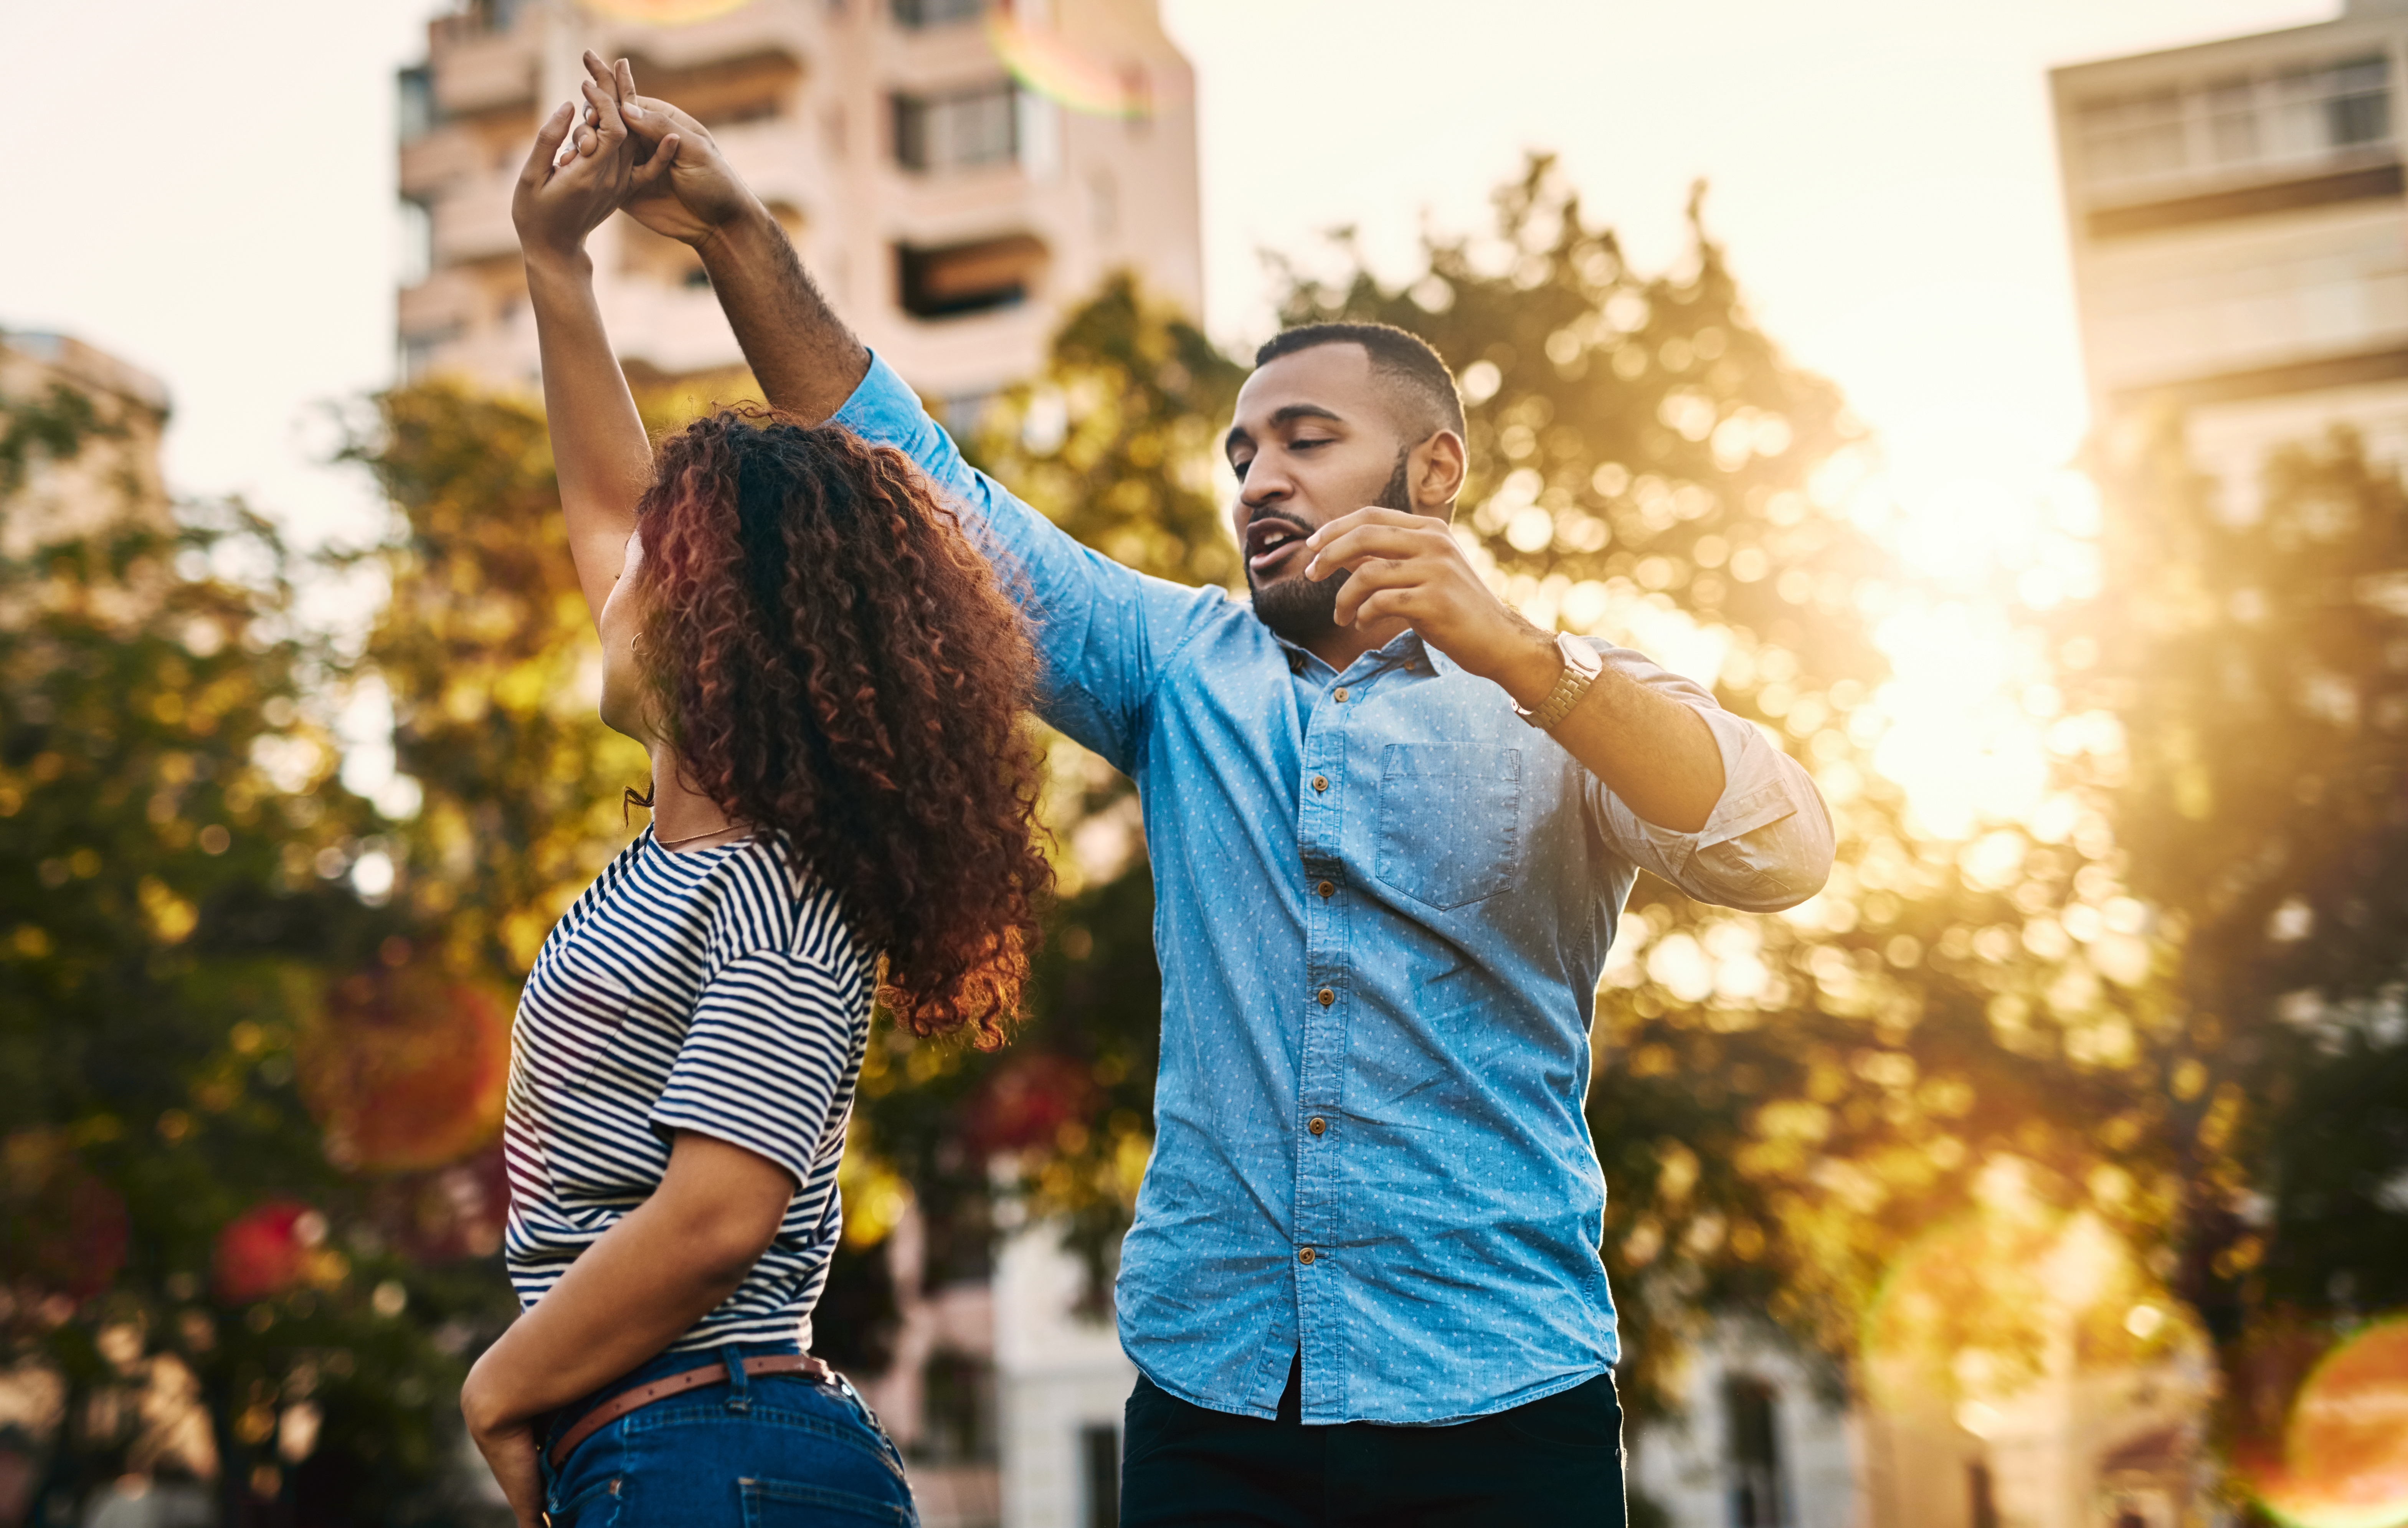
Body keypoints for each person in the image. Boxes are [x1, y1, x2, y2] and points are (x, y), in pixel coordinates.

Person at [594, 57, 1836, 1525]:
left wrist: (1519, 655)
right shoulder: (1174, 667)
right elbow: (920, 481)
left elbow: (1776, 848)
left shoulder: (1567, 701)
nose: (1256, 481)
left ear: (1433, 469)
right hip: (1214, 1399)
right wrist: (735, 233)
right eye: (1242, 454)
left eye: (1306, 442)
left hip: (1498, 1400)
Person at [457, 67, 1051, 1527]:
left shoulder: (775, 892)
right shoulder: (686, 861)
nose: (612, 580)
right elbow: (609, 509)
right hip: (679, 1449)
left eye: (652, 571)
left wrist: (500, 1385)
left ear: (718, 637)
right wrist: (555, 265)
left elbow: (723, 1213)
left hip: (714, 1456)